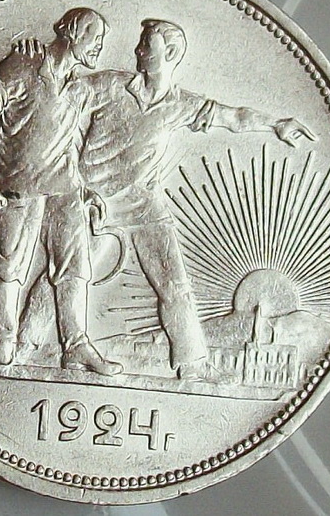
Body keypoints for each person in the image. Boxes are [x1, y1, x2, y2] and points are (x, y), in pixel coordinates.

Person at [75, 19, 316, 380]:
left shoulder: (180, 104)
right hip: (93, 202)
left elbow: (234, 118)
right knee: (69, 277)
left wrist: (276, 124)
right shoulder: (110, 84)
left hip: (142, 205)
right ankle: (26, 343)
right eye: (141, 43)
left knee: (174, 283)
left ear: (170, 53)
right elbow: (58, 97)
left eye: (147, 44)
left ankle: (192, 364)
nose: (138, 49)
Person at [0, 7, 122, 375]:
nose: (100, 46)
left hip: (65, 192)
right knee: (7, 267)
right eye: (95, 37)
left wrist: (83, 189)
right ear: (73, 33)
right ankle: (3, 344)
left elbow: (64, 141)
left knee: (75, 269)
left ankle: (76, 346)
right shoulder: (24, 63)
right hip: (17, 190)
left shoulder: (78, 86)